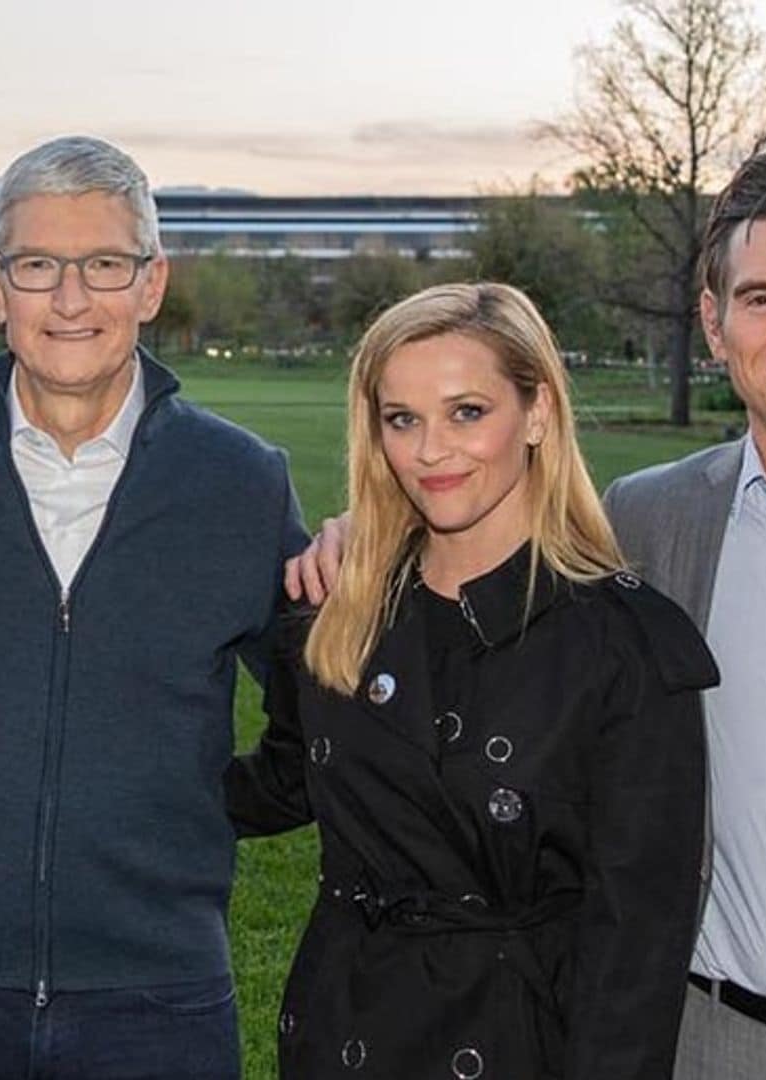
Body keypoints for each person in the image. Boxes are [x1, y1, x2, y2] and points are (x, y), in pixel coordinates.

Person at [291, 155, 766, 1079]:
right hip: (712, 1046)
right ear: (715, 326)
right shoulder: (645, 523)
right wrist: (370, 530)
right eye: (762, 299)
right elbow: (487, 531)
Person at [0, 135, 306, 1080]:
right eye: (37, 265)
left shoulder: (240, 482)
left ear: (150, 283)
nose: (69, 299)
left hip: (157, 996)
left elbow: (317, 705)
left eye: (102, 264)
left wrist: (214, 804)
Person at [233, 283, 714, 1079]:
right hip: (340, 1033)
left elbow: (638, 946)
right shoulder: (339, 608)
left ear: (536, 413)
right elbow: (285, 781)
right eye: (402, 419)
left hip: (520, 1041)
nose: (430, 451)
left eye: (466, 412)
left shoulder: (622, 646)